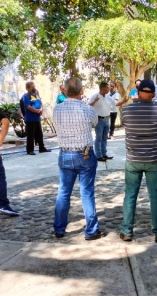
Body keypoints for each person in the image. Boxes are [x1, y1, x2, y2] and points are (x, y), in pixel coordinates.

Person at [52, 78, 106, 241]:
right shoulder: (86, 109)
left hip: (65, 154)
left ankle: (59, 229)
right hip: (85, 154)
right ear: (81, 91)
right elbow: (95, 122)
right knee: (87, 192)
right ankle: (91, 230)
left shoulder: (57, 109)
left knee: (63, 192)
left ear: (65, 91)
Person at [119, 79, 157, 243]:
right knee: (155, 195)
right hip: (154, 159)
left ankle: (127, 230)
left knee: (130, 195)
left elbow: (126, 127)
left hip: (133, 159)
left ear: (138, 92)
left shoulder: (125, 111)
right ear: (154, 94)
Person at [21, 81, 51, 155]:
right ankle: (30, 150)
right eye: (32, 86)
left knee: (39, 134)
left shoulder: (36, 94)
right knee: (31, 135)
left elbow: (40, 103)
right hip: (30, 119)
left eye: (34, 86)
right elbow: (28, 106)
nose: (34, 87)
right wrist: (37, 111)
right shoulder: (26, 96)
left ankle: (42, 148)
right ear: (28, 88)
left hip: (37, 118)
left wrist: (41, 109)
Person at [89, 82, 116, 161]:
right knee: (99, 138)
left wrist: (124, 101)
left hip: (107, 119)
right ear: (102, 88)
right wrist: (94, 101)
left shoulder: (108, 97)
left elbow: (115, 104)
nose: (109, 89)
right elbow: (88, 106)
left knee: (105, 138)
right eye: (107, 87)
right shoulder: (95, 96)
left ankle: (104, 154)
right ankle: (98, 155)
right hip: (99, 120)